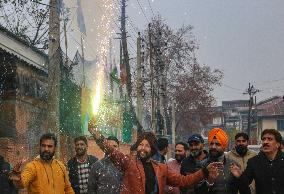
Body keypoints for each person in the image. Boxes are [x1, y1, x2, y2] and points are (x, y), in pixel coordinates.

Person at [88, 121, 220, 194]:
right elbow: (111, 151)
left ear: (152, 150)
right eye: (140, 144)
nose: (143, 148)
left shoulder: (161, 168)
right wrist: (96, 134)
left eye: (147, 146)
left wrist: (205, 171)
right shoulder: (128, 162)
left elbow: (184, 181)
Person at [9, 133, 74, 194]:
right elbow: (22, 184)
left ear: (55, 148)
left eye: (50, 146)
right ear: (39, 147)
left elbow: (68, 188)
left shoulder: (61, 166)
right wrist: (17, 179)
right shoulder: (32, 166)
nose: (46, 149)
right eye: (43, 145)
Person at [197, 128, 251, 194]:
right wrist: (208, 182)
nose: (213, 147)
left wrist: (240, 178)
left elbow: (246, 192)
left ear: (224, 146)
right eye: (211, 144)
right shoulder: (201, 165)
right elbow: (196, 191)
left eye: (217, 144)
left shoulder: (234, 165)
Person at [230, 129, 284, 194]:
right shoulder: (254, 162)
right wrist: (239, 176)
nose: (265, 142)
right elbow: (244, 183)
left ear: (277, 144)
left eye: (270, 139)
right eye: (263, 139)